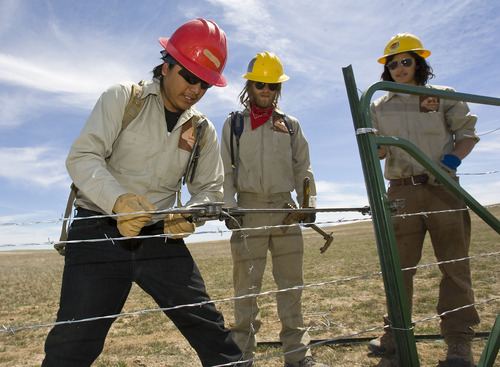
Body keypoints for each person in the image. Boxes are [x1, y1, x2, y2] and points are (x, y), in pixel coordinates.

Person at [42, 18, 242, 367]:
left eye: (205, 84)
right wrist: (118, 201)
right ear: (166, 66)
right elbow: (83, 156)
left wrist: (190, 214)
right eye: (189, 77)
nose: (195, 90)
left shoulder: (202, 129)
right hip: (98, 230)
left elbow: (210, 188)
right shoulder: (122, 98)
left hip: (161, 237)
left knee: (210, 329)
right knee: (74, 342)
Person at [368, 33, 480, 367]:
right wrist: (371, 144)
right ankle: (395, 334)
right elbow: (380, 150)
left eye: (405, 61)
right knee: (398, 270)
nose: (399, 68)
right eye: (392, 63)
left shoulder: (441, 95)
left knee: (455, 267)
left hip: (442, 188)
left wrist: (451, 163)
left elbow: (467, 134)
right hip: (401, 191)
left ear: (419, 62)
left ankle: (459, 342)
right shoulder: (377, 105)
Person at [220, 52, 328, 367]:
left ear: (277, 88)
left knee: (292, 287)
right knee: (246, 290)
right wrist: (230, 207)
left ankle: (298, 356)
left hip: (285, 212)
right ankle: (242, 357)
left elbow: (303, 169)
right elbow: (225, 169)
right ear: (249, 86)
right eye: (259, 84)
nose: (265, 90)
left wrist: (308, 206)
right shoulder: (234, 123)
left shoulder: (291, 126)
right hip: (249, 211)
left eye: (271, 85)